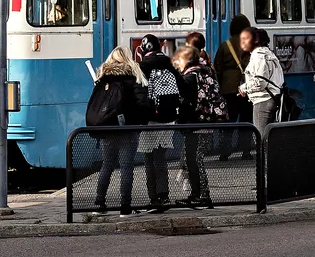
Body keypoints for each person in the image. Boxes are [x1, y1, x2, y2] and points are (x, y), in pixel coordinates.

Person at [84, 46, 149, 216]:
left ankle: (99, 204)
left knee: (107, 166)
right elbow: (142, 104)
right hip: (128, 129)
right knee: (127, 167)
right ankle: (125, 207)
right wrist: (140, 123)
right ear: (128, 59)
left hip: (108, 128)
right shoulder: (133, 76)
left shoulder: (103, 79)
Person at [172, 44, 224, 208]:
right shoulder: (205, 72)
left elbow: (185, 101)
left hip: (195, 125)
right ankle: (197, 194)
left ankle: (202, 195)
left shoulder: (190, 78)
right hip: (205, 123)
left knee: (195, 161)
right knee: (193, 161)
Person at [134, 34, 182, 211]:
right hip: (168, 118)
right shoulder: (169, 63)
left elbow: (139, 94)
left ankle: (154, 197)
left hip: (151, 119)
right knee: (161, 159)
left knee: (149, 160)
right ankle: (164, 195)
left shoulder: (143, 66)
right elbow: (181, 86)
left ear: (145, 48)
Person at [213, 14, 252, 159]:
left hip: (228, 90)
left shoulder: (225, 46)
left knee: (229, 122)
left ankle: (225, 152)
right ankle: (246, 151)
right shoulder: (249, 45)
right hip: (246, 89)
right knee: (246, 121)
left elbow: (218, 68)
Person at [242, 27, 285, 139]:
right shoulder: (269, 54)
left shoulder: (258, 55)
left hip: (262, 101)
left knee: (261, 137)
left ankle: (263, 157)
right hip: (273, 98)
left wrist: (244, 88)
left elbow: (260, 82)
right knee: (269, 137)